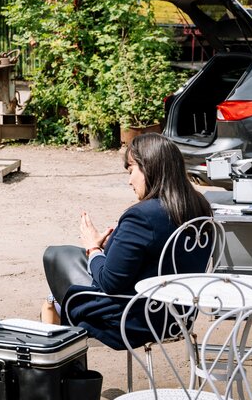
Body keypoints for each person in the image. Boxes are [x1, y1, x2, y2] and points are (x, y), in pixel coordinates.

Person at [41, 133, 212, 350]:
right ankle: (54, 307)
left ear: (148, 167)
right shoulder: (200, 208)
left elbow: (109, 283)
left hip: (133, 321)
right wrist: (114, 246)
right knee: (70, 260)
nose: (129, 180)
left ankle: (59, 358)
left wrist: (93, 247)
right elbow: (164, 256)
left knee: (57, 255)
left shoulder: (142, 215)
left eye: (132, 171)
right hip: (178, 317)